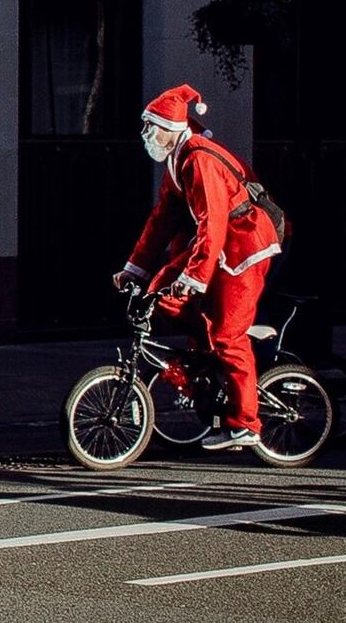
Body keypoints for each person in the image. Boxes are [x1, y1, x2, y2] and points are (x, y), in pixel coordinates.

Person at [112, 84, 282, 450]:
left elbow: (214, 222)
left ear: (171, 129)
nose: (145, 135)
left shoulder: (199, 160)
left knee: (227, 334)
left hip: (244, 245)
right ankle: (208, 361)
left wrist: (194, 278)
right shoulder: (177, 161)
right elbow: (161, 220)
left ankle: (245, 424)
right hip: (218, 247)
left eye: (150, 127)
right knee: (159, 294)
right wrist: (134, 270)